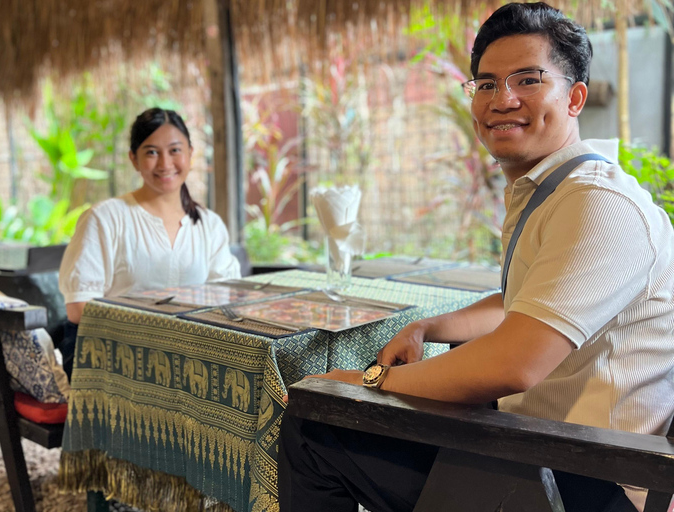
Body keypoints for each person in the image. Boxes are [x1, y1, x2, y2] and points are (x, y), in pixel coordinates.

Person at [278, 3, 674, 512]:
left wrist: (369, 383)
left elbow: (514, 362)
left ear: (575, 97)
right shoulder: (552, 190)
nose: (502, 99)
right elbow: (525, 305)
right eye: (486, 84)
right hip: (534, 441)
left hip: (585, 477)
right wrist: (429, 329)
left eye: (527, 80)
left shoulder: (600, 204)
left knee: (317, 422)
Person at [58, 108, 241, 378]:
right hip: (109, 352)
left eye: (175, 150)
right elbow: (78, 308)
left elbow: (228, 295)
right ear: (134, 159)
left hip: (187, 352)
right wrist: (157, 334)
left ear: (190, 153)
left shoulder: (208, 224)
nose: (165, 164)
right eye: (152, 152)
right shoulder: (105, 218)